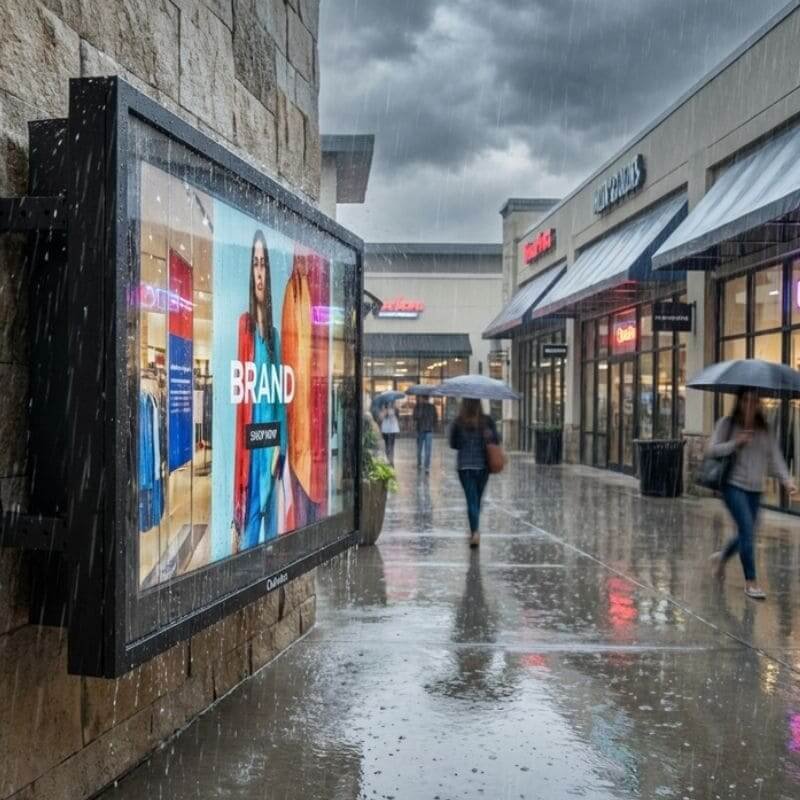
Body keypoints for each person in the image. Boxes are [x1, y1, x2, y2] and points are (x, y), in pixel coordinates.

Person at [708, 390, 797, 599]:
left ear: (759, 404)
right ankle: (751, 581)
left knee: (747, 534)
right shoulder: (727, 423)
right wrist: (735, 443)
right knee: (747, 529)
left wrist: (786, 479)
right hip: (733, 486)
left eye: (754, 401)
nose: (750, 405)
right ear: (739, 401)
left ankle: (721, 558)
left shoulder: (764, 429)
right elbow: (711, 450)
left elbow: (775, 456)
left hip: (755, 489)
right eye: (746, 400)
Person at [232, 230, 287, 553]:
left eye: (263, 263)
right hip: (253, 439)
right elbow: (242, 398)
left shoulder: (275, 335)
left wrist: (280, 442)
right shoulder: (245, 326)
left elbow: (279, 391)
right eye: (254, 263)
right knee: (254, 509)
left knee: (272, 518)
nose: (259, 272)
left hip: (271, 439)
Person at [449, 398, 499, 548]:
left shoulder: (458, 421)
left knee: (471, 499)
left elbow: (453, 444)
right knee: (477, 499)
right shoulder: (487, 421)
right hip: (483, 466)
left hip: (465, 466)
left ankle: (475, 531)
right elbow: (496, 440)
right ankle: (474, 529)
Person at [413, 396, 438, 473]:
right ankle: (426, 467)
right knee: (428, 450)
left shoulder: (418, 406)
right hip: (429, 430)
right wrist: (433, 426)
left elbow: (415, 417)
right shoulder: (432, 407)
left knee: (420, 449)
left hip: (420, 430)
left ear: (422, 398)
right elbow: (435, 418)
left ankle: (420, 464)